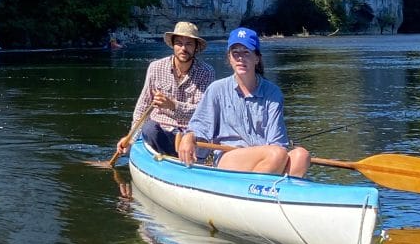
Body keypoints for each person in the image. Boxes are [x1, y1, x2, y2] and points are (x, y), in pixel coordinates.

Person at [176, 27, 311, 178]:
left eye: (246, 52)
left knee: (301, 155)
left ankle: (272, 194)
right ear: (230, 59)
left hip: (269, 158)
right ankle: (256, 193)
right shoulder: (216, 89)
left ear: (257, 58)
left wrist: (271, 155)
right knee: (276, 153)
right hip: (229, 157)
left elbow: (277, 141)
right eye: (235, 53)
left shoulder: (273, 93)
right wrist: (189, 137)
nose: (241, 58)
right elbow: (200, 126)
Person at [115, 21, 215, 156]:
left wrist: (173, 105)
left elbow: (202, 113)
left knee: (202, 140)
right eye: (179, 43)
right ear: (173, 45)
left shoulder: (207, 72)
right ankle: (174, 157)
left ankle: (181, 156)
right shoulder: (156, 67)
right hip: (162, 131)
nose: (183, 48)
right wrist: (130, 138)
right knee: (149, 128)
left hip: (190, 134)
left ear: (196, 47)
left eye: (189, 44)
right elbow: (143, 106)